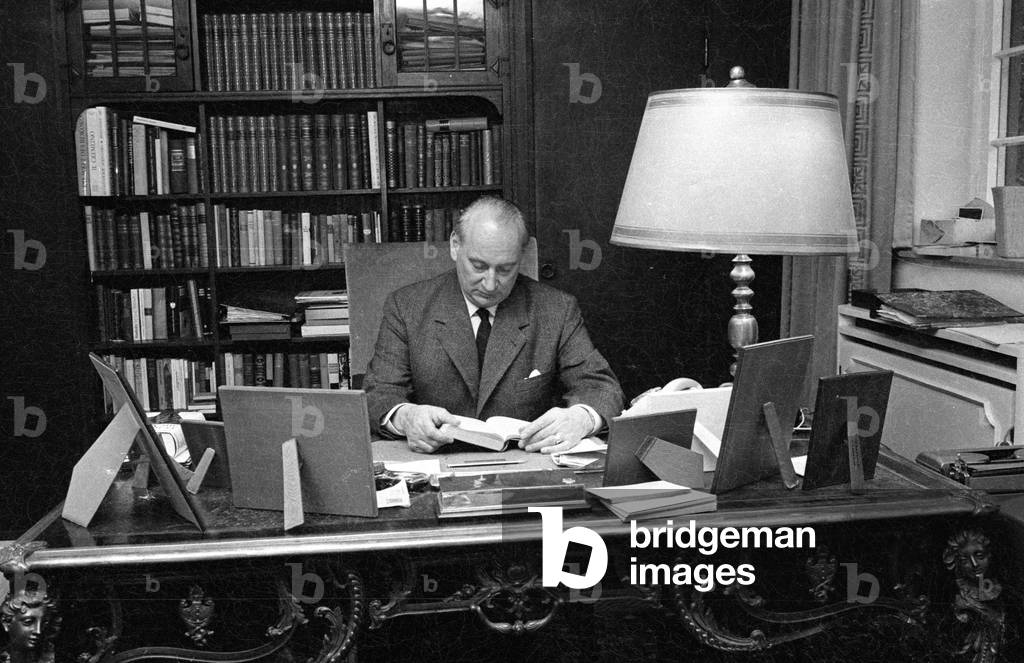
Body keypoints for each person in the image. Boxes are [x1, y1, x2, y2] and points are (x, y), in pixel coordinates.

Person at [364, 197, 624, 454]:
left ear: (520, 259)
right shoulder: (407, 306)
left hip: (526, 464)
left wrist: (581, 418)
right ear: (455, 246)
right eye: (478, 266)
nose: (490, 284)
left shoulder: (556, 309)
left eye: (505, 270)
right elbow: (379, 393)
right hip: (434, 462)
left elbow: (602, 388)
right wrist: (407, 417)